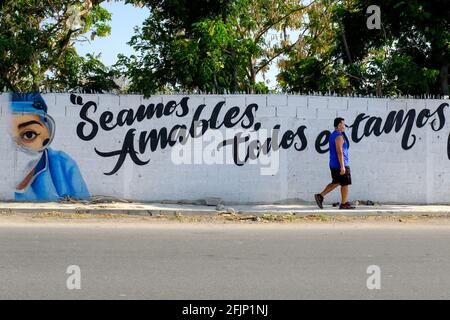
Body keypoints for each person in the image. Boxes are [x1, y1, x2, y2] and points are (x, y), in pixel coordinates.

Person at [10, 93, 90, 201]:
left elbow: (82, 202)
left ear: (47, 135)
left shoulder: (62, 164)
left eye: (29, 135)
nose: (16, 146)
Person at [314, 117, 355, 210]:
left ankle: (320, 196)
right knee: (345, 184)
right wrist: (342, 166)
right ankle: (344, 204)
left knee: (336, 182)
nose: (344, 126)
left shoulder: (333, 135)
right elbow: (339, 152)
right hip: (340, 164)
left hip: (334, 164)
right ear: (339, 125)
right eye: (343, 124)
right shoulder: (338, 136)